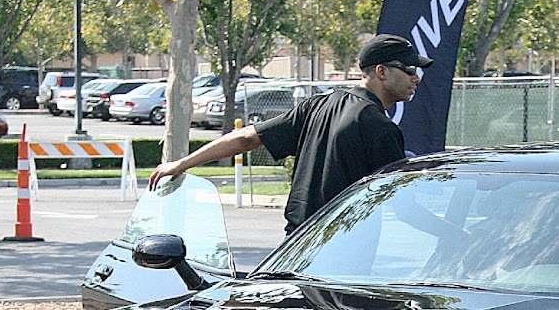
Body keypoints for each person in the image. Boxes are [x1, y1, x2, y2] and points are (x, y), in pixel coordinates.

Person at [149, 34, 431, 233]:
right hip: (346, 248)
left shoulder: (318, 104)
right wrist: (457, 234)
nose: (416, 77)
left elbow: (247, 138)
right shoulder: (380, 128)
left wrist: (180, 163)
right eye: (408, 69)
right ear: (381, 72)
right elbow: (403, 207)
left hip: (296, 245)